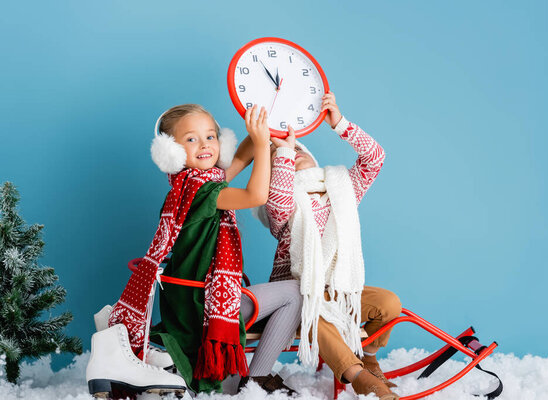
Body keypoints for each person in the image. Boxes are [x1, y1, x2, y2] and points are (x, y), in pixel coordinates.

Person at [88, 104, 301, 396]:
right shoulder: (204, 192)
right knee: (296, 293)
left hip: (188, 303)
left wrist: (260, 129)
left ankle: (243, 376)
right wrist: (264, 145)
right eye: (191, 139)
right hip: (206, 305)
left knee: (225, 383)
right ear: (171, 151)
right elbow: (256, 195)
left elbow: (238, 159)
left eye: (211, 137)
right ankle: (258, 378)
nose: (204, 145)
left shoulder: (188, 187)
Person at [255, 92, 403, 400]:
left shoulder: (342, 191)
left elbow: (375, 158)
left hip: (341, 289)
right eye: (281, 156)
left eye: (298, 148)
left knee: (389, 303)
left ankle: (369, 355)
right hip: (300, 296)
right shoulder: (282, 210)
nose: (292, 153)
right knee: (317, 317)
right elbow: (278, 201)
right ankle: (359, 378)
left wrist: (340, 124)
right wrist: (279, 149)